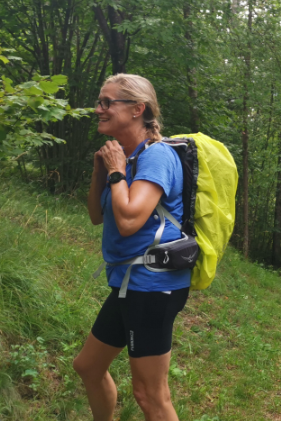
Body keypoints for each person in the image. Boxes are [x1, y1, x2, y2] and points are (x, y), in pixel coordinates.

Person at [73, 73, 189, 421]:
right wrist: (102, 170)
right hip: (129, 282)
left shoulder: (156, 157)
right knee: (88, 367)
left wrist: (115, 171)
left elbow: (128, 222)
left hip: (153, 285)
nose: (99, 109)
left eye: (107, 102)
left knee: (151, 395)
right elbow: (97, 216)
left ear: (138, 109)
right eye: (99, 102)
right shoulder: (126, 158)